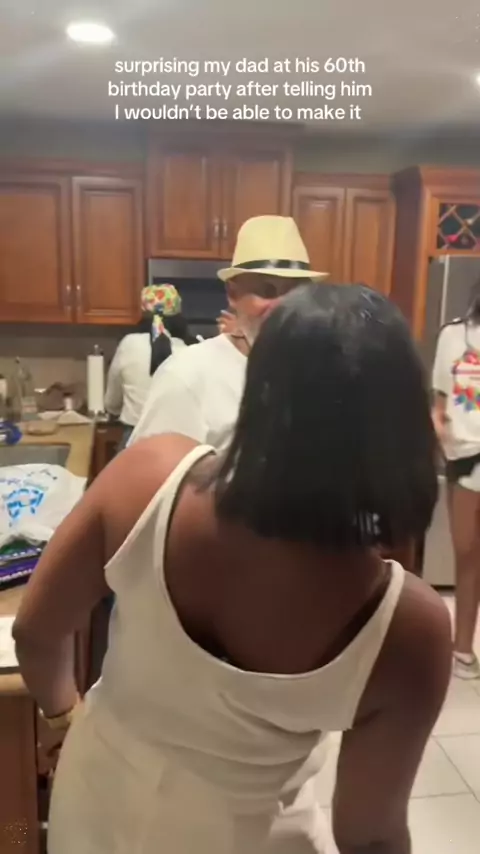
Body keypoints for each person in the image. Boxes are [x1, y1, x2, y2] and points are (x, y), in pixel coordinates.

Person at [13, 283, 451, 854]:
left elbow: (35, 633)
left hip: (98, 801)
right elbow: (369, 835)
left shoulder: (146, 479)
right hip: (256, 835)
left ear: (258, 388)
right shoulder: (408, 627)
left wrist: (61, 719)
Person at [129, 215, 327, 448]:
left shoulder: (317, 370)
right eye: (267, 290)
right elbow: (147, 468)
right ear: (233, 294)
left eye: (295, 292)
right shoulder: (187, 375)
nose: (282, 306)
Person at [432, 279, 480, 679]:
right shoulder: (455, 335)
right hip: (465, 457)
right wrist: (441, 432)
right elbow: (439, 403)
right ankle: (462, 649)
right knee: (467, 553)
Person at [105, 284, 195, 449]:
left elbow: (112, 402)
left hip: (135, 440)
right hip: (177, 443)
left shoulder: (129, 344)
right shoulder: (190, 350)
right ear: (178, 316)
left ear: (143, 313)